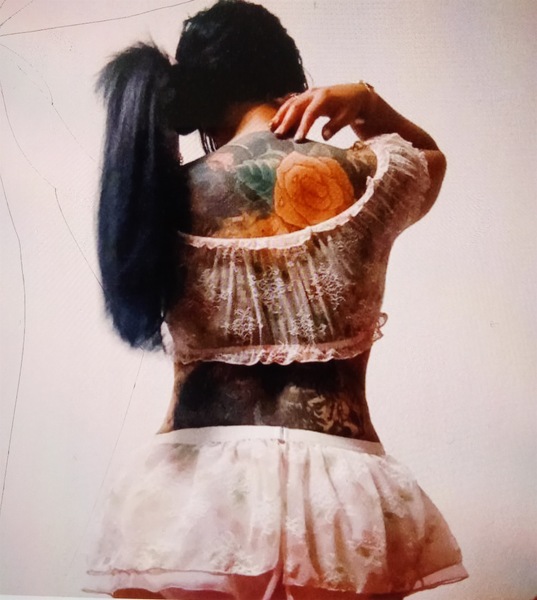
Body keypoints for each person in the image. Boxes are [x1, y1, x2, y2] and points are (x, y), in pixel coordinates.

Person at [85, 1, 468, 598]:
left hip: (189, 499)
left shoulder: (156, 194)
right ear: (293, 82)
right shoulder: (372, 173)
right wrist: (368, 105)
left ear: (199, 96)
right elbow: (431, 159)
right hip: (339, 499)